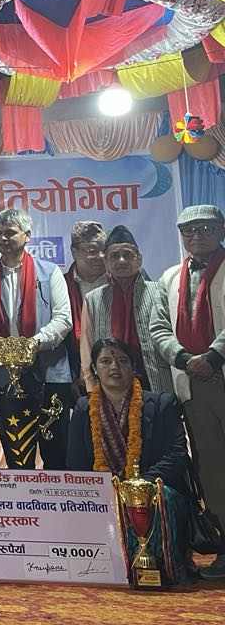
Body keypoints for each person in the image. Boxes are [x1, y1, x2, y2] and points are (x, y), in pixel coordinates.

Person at [66, 338, 191, 585]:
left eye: (122, 361)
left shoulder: (162, 403)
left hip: (153, 489)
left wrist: (137, 486)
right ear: (94, 369)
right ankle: (104, 567)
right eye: (106, 361)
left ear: (134, 367)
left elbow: (177, 455)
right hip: (103, 493)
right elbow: (76, 462)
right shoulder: (83, 408)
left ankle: (160, 566)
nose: (115, 367)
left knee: (160, 497)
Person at [151, 205, 225, 580]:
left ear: (221, 229)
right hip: (193, 383)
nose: (196, 236)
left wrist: (214, 355)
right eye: (188, 230)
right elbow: (158, 326)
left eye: (205, 228)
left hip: (218, 368)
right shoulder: (169, 277)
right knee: (211, 469)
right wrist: (183, 358)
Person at [0, 209, 72, 468]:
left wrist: (33, 344)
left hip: (49, 373)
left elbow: (64, 319)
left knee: (56, 452)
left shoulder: (50, 272)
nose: (3, 238)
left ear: (27, 235)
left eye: (10, 233)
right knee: (17, 454)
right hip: (5, 378)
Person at [80, 225, 171, 394]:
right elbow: (87, 347)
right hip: (110, 384)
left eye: (127, 255)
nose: (121, 261)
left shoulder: (160, 291)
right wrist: (91, 385)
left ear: (139, 259)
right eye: (115, 256)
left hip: (156, 380)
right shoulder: (93, 299)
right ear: (106, 262)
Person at [64, 221, 107, 385]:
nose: (100, 257)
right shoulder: (61, 285)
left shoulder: (119, 280)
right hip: (77, 374)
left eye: (104, 250)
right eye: (92, 251)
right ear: (74, 252)